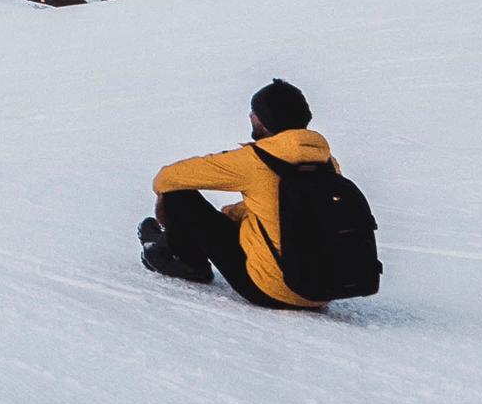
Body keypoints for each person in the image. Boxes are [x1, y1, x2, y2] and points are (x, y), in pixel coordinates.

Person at [141, 80, 344, 309]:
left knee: (178, 195)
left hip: (270, 289)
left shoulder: (254, 161)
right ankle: (172, 242)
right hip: (320, 288)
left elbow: (168, 177)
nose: (250, 116)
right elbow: (285, 209)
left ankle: (186, 261)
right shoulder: (327, 163)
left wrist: (163, 199)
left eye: (255, 112)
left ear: (267, 121)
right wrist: (230, 215)